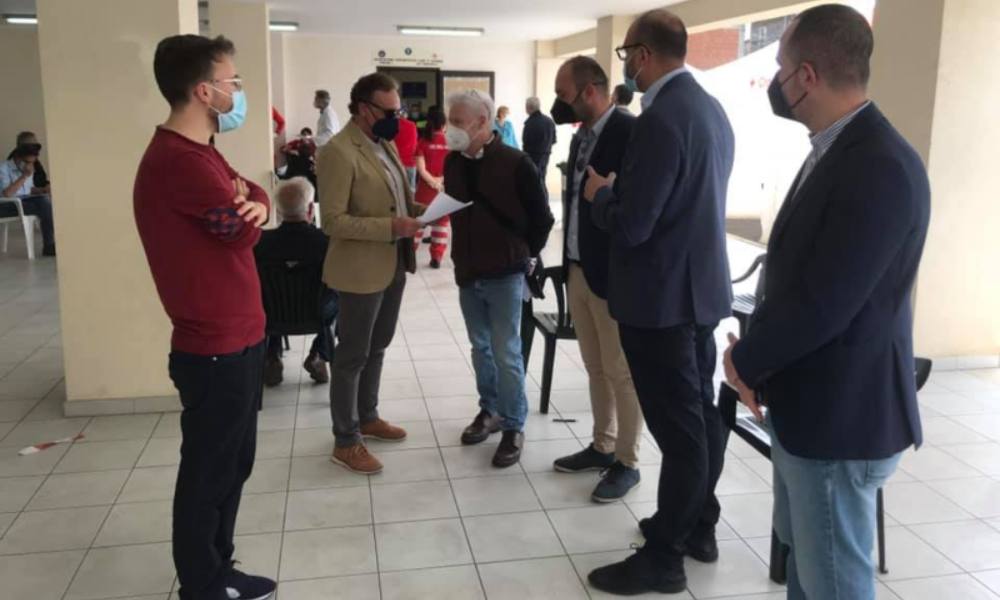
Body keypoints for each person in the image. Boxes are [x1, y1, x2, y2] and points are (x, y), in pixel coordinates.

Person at [724, 6, 930, 599]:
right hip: (812, 405)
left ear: (807, 76)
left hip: (840, 418)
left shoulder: (877, 166)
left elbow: (825, 303)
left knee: (834, 583)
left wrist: (746, 362)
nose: (775, 82)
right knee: (809, 574)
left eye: (781, 67)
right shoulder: (838, 149)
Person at [582, 10, 735, 595]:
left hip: (659, 301)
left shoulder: (659, 120)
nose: (627, 66)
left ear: (642, 55)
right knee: (698, 417)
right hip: (698, 292)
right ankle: (698, 525)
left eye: (626, 55)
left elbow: (635, 224)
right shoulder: (711, 110)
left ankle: (665, 557)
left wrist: (602, 195)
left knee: (681, 432)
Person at [133, 34, 275, 600]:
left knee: (233, 464)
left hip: (240, 336)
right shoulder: (179, 162)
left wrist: (255, 201)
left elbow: (253, 193)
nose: (238, 91)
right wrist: (251, 209)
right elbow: (239, 231)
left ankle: (220, 566)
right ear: (203, 91)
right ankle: (202, 583)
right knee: (210, 471)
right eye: (232, 81)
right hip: (214, 346)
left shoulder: (203, 152)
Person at [317, 72, 424, 475]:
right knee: (352, 355)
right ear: (364, 108)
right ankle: (346, 440)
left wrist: (423, 212)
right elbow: (332, 221)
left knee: (378, 345)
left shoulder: (384, 143)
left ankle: (368, 416)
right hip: (360, 270)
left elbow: (398, 198)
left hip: (393, 261)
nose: (398, 118)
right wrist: (391, 227)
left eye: (400, 110)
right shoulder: (338, 152)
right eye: (390, 111)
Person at [444, 89, 554, 468]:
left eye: (457, 121)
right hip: (467, 269)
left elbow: (542, 219)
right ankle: (488, 409)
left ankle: (513, 424)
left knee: (507, 352)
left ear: (482, 122)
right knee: (480, 347)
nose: (450, 128)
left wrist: (523, 254)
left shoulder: (516, 163)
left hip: (505, 272)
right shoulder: (453, 162)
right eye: (450, 121)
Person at [548, 56, 641, 502]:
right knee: (595, 366)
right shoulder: (581, 135)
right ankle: (602, 445)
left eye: (563, 95)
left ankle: (628, 460)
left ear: (589, 91)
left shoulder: (629, 132)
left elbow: (635, 209)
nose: (558, 103)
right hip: (578, 267)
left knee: (621, 372)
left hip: (612, 274)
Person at [255, 177, 337, 387]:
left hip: (273, 316)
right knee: (340, 300)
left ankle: (272, 356)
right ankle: (319, 353)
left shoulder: (260, 243)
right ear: (310, 209)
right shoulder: (327, 241)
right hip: (317, 313)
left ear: (279, 210)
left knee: (269, 297)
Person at [0, 143, 56, 256]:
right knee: (45, 205)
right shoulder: (3, 168)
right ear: (17, 158)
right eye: (26, 162)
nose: (30, 166)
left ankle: (51, 244)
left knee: (47, 201)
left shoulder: (28, 168)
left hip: (25, 202)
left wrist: (42, 190)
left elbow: (27, 190)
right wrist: (24, 176)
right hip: (7, 205)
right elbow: (7, 194)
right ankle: (49, 245)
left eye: (32, 162)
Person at [413, 105, 450, 269]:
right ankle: (436, 258)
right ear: (444, 125)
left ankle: (410, 255)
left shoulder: (422, 142)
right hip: (443, 190)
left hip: (424, 191)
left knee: (419, 223)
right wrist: (440, 182)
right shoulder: (450, 143)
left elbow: (421, 170)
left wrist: (432, 182)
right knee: (441, 224)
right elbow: (451, 168)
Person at [521, 96, 557, 191]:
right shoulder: (549, 121)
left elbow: (525, 142)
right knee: (542, 179)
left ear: (528, 108)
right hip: (546, 155)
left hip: (532, 157)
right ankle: (544, 199)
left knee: (532, 183)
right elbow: (554, 140)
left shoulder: (529, 123)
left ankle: (538, 200)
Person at [393, 112, 419, 189]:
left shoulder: (392, 126)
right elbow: (415, 143)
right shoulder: (412, 125)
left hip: (396, 163)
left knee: (397, 189)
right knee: (411, 189)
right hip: (411, 163)